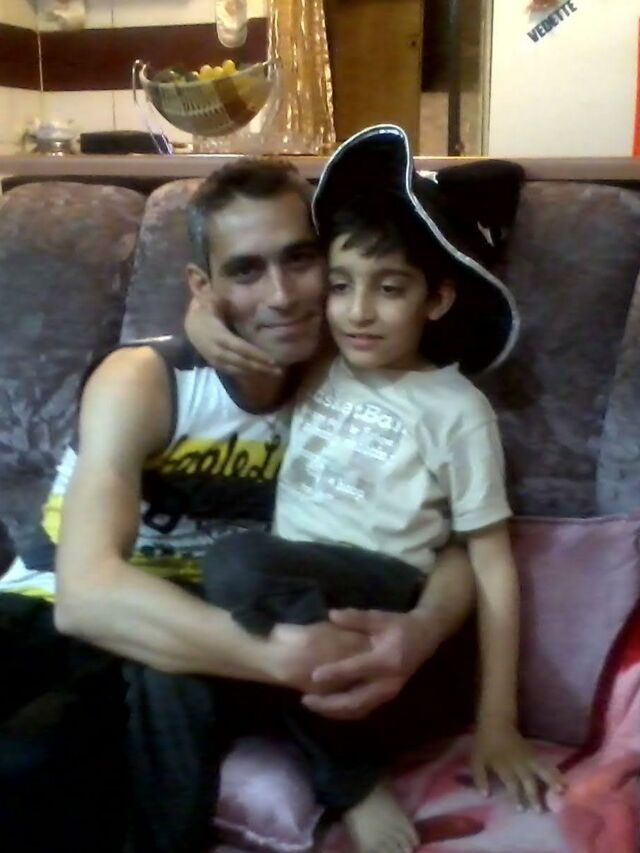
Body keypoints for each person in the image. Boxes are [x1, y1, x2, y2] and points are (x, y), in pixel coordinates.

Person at [0, 157, 476, 853]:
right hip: (47, 609)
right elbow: (85, 596)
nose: (281, 294)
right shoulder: (145, 380)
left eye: (300, 259)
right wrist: (280, 659)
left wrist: (423, 630)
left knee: (29, 760)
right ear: (203, 287)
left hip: (173, 641)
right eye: (246, 271)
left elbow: (454, 537)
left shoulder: (344, 388)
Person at [185, 125, 566, 852]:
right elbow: (230, 312)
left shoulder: (455, 408)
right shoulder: (321, 361)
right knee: (166, 658)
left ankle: (351, 779)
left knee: (235, 562)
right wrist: (200, 322)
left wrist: (498, 721)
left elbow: (490, 562)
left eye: (389, 289)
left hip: (386, 595)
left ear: (437, 298)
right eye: (340, 285)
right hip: (295, 605)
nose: (358, 311)